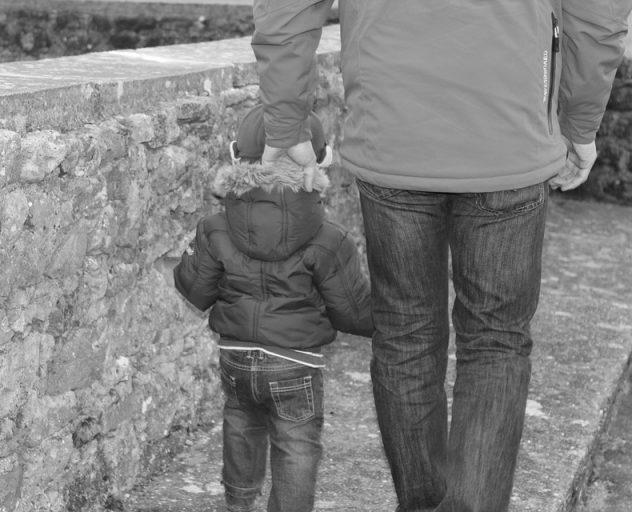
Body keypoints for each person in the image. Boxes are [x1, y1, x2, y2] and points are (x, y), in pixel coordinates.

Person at [250, 1, 632, 511]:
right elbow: (597, 14)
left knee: (406, 332)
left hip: (393, 134)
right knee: (496, 341)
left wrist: (285, 121)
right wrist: (580, 123)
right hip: (508, 134)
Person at [173, 104, 371, 512]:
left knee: (241, 424)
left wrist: (187, 260)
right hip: (294, 360)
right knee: (297, 444)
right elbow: (354, 312)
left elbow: (196, 292)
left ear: (238, 158)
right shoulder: (327, 236)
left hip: (237, 354)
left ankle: (240, 503)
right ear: (316, 163)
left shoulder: (215, 226)